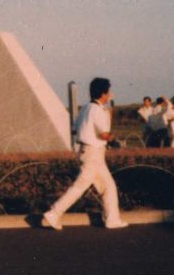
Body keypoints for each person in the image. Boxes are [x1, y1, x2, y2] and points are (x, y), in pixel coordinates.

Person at [42, 77, 129, 231]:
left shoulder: (86, 108)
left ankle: (112, 219)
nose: (110, 94)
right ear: (104, 93)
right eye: (109, 91)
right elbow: (104, 134)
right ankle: (54, 213)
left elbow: (75, 129)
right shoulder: (98, 110)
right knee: (80, 187)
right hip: (94, 153)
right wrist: (114, 140)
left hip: (88, 152)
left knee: (108, 186)